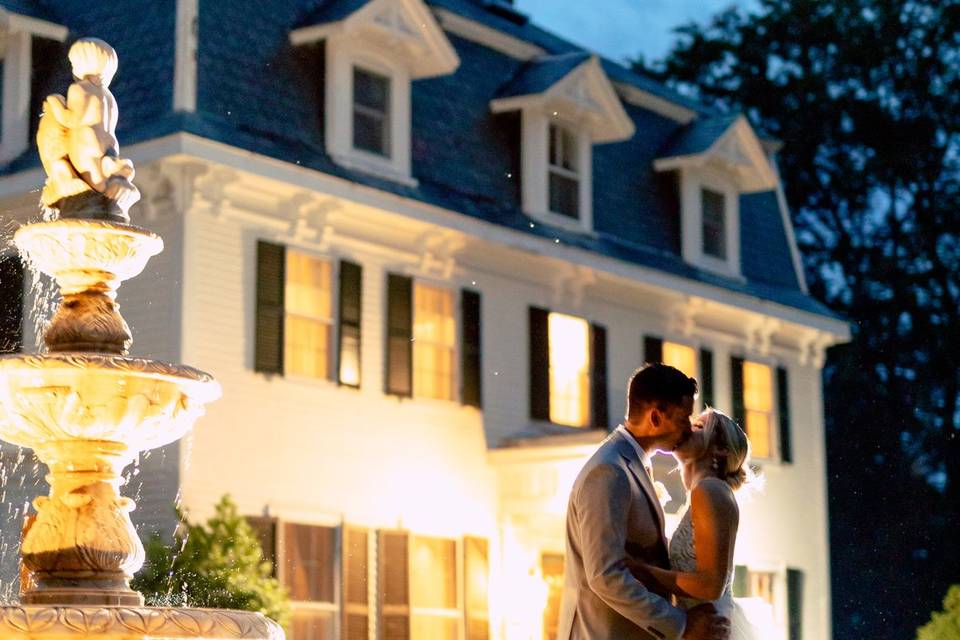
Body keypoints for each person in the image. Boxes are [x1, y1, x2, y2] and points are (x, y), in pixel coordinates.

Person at [557, 363, 730, 640]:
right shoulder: (609, 471)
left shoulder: (633, 465)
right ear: (656, 416)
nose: (688, 428)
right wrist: (681, 626)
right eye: (684, 418)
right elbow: (606, 575)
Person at [627, 409, 777, 640]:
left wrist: (644, 571)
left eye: (698, 426)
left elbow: (710, 585)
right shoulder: (706, 492)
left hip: (706, 627)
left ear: (721, 449)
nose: (687, 427)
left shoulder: (710, 490)